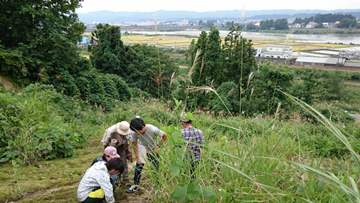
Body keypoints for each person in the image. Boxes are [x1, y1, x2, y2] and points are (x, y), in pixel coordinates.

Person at [127, 117, 167, 193]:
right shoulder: (134, 132)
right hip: (142, 147)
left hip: (153, 150)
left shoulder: (152, 129)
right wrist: (137, 157)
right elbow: (134, 144)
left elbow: (164, 135)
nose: (138, 133)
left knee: (155, 167)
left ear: (143, 127)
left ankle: (157, 185)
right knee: (138, 167)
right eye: (136, 132)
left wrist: (158, 146)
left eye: (139, 131)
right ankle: (136, 185)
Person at [180, 115, 204, 179]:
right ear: (191, 122)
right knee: (193, 175)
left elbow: (179, 147)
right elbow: (202, 146)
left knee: (185, 176)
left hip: (185, 159)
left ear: (183, 122)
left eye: (181, 122)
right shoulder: (200, 132)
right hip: (197, 159)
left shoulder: (181, 132)